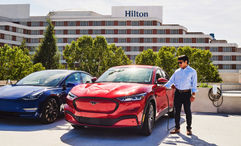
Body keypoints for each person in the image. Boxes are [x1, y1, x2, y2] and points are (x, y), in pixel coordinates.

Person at [164, 55, 198, 135]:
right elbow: (170, 81)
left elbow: (194, 84)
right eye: (178, 62)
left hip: (187, 94)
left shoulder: (192, 71)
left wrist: (193, 95)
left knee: (187, 112)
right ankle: (177, 128)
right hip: (178, 93)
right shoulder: (177, 71)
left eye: (180, 62)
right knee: (177, 112)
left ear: (186, 62)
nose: (179, 64)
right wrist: (164, 87)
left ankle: (189, 129)